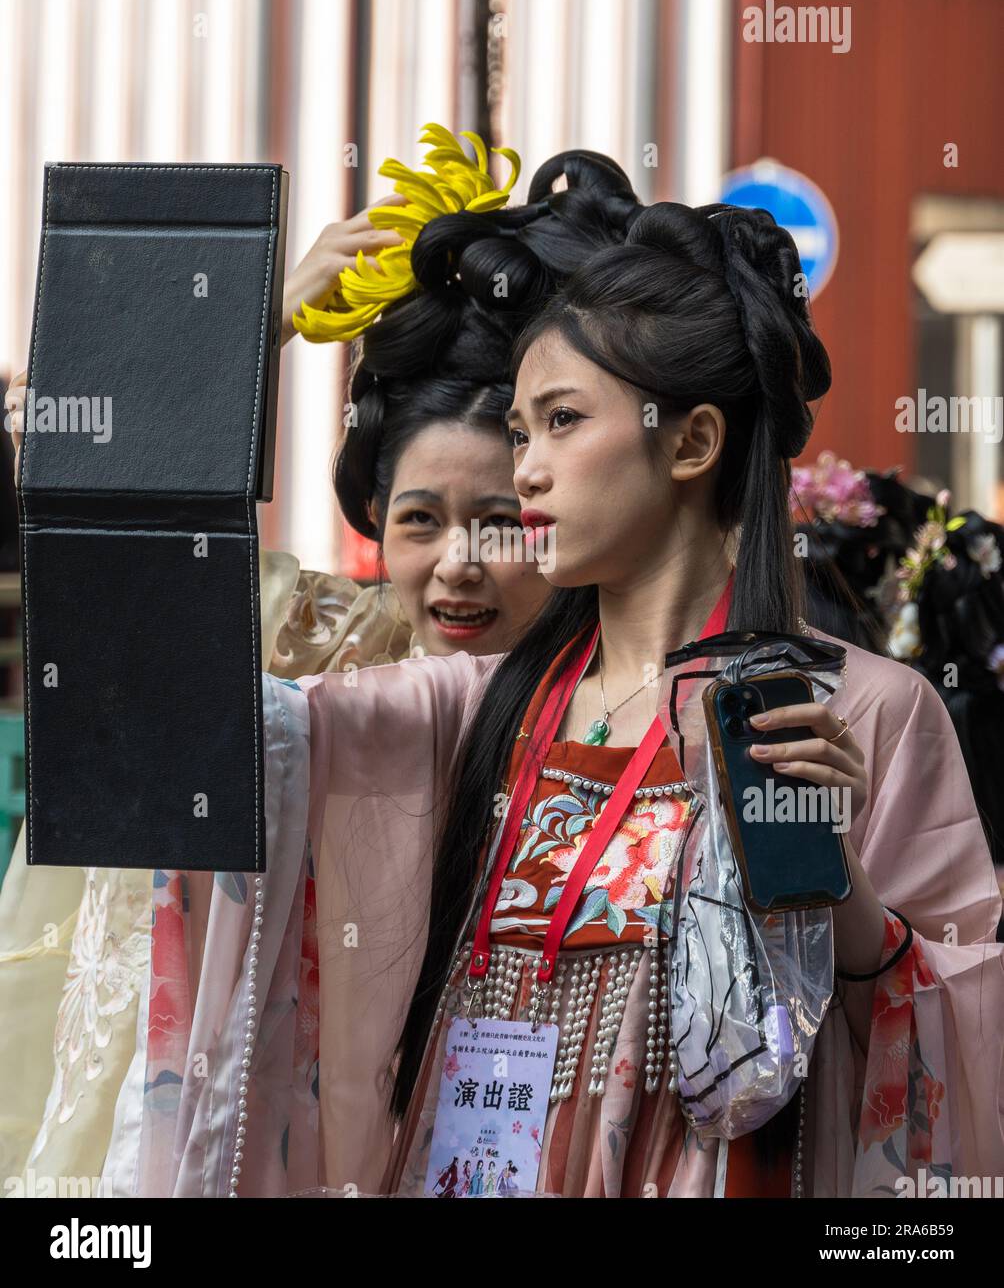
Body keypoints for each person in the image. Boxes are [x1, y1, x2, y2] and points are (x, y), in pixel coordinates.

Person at [94, 197, 1004, 1199]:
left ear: (691, 440)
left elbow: (958, 1044)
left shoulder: (863, 709)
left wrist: (840, 895)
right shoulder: (459, 713)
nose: (524, 470)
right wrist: (247, 326)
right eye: (520, 429)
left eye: (560, 422)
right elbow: (153, 687)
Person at [0, 124, 646, 1196]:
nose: (459, 566)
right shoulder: (304, 647)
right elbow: (112, 568)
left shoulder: (622, 694)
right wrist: (252, 323)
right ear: (371, 522)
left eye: (499, 519)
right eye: (420, 519)